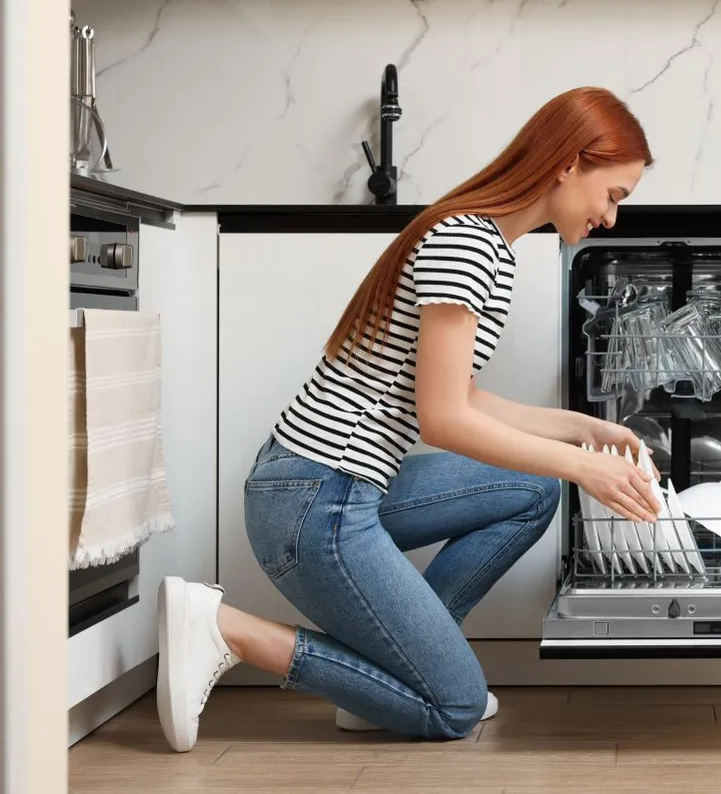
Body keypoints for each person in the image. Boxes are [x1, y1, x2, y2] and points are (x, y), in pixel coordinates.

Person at [155, 86, 662, 753]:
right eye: (614, 194)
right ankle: (226, 629)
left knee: (532, 490)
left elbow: (462, 397)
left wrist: (578, 430)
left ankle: (386, 682)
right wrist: (582, 468)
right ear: (568, 163)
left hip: (315, 486)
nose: (611, 216)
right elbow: (443, 419)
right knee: (454, 709)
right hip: (317, 500)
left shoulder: (484, 242)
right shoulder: (468, 245)